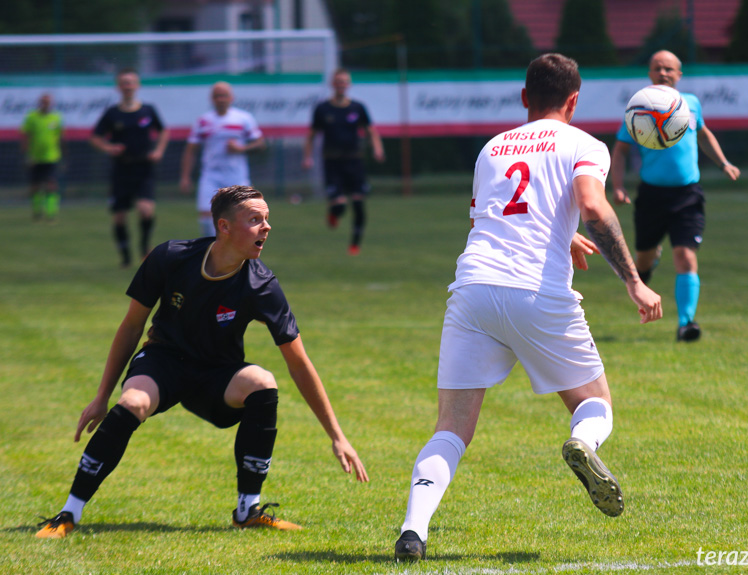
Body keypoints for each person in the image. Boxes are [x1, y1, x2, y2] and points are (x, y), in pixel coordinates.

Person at [393, 53, 662, 562]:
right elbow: (593, 205)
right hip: (536, 292)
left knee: (451, 428)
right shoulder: (584, 144)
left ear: (524, 98)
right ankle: (584, 443)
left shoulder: (492, 148)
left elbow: (490, 222)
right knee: (594, 406)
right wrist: (633, 280)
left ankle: (413, 531)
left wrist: (566, 240)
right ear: (574, 100)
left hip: (472, 288)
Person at [35, 185, 369, 539]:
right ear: (224, 227)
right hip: (164, 361)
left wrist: (337, 436)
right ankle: (68, 514)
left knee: (263, 382)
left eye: (267, 219)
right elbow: (132, 325)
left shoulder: (261, 285)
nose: (266, 228)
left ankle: (247, 510)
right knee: (132, 402)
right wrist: (102, 396)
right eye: (255, 220)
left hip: (216, 375)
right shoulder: (171, 257)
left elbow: (299, 363)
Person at [610, 50, 740, 342]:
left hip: (687, 194)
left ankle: (686, 324)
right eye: (658, 68)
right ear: (649, 73)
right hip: (651, 196)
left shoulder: (690, 103)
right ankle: (649, 266)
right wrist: (618, 186)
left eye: (670, 69)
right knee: (642, 263)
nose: (664, 73)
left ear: (679, 74)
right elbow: (620, 149)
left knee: (685, 256)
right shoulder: (640, 107)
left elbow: (704, 135)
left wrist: (723, 163)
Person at [91, 68, 170, 267]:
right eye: (124, 83)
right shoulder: (112, 113)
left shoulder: (147, 110)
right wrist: (109, 147)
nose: (128, 86)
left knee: (146, 210)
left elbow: (163, 132)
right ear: (119, 87)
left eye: (131, 82)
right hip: (121, 170)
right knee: (119, 216)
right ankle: (125, 256)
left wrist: (158, 150)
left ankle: (145, 248)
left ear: (137, 85)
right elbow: (95, 137)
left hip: (144, 168)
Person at [302, 68, 385, 255]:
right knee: (339, 203)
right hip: (332, 163)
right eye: (338, 82)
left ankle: (355, 244)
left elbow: (371, 130)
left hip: (354, 161)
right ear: (333, 85)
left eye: (344, 82)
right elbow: (311, 135)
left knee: (358, 202)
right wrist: (307, 157)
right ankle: (333, 213)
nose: (341, 85)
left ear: (348, 85)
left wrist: (378, 149)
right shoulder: (323, 109)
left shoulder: (357, 107)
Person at [181, 82, 265, 237]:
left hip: (237, 177)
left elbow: (260, 143)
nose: (221, 99)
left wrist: (242, 148)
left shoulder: (243, 118)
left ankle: (241, 258)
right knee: (207, 220)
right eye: (217, 96)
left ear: (231, 98)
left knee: (243, 219)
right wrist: (185, 177)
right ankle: (212, 256)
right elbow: (191, 150)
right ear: (211, 99)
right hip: (211, 176)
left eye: (224, 95)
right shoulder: (204, 121)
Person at [20, 93, 64, 222]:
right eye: (43, 101)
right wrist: (25, 155)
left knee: (51, 185)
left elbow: (60, 137)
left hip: (51, 157)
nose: (46, 104)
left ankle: (51, 214)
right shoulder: (32, 117)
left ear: (52, 103)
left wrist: (63, 155)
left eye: (48, 102)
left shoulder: (56, 117)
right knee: (35, 186)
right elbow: (26, 136)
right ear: (39, 103)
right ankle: (37, 212)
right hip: (35, 158)